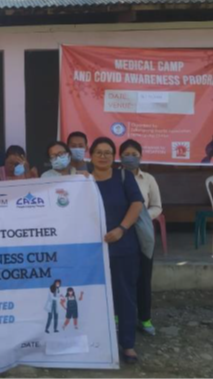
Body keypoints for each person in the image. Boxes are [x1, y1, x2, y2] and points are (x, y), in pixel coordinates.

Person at [91, 137, 144, 364]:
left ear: (113, 157)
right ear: (90, 155)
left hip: (122, 246)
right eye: (99, 152)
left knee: (125, 296)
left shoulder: (124, 177)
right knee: (91, 297)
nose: (103, 156)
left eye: (108, 153)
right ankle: (96, 342)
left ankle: (128, 344)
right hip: (91, 250)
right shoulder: (82, 180)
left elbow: (136, 204)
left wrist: (122, 228)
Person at [120, 139, 163, 337]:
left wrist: (143, 216)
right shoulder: (114, 177)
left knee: (143, 277)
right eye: (127, 153)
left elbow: (157, 205)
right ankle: (118, 316)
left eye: (135, 154)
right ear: (120, 156)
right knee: (121, 277)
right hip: (119, 232)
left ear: (141, 156)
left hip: (143, 234)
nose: (131, 157)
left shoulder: (148, 179)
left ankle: (144, 318)